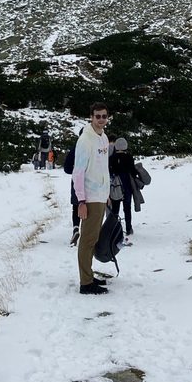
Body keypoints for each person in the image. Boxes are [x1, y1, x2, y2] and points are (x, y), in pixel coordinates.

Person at [72, 101, 112, 295]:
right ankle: (85, 283)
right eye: (98, 116)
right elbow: (77, 173)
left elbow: (103, 168)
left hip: (101, 195)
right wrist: (81, 201)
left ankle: (88, 275)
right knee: (87, 240)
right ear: (91, 117)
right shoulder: (85, 140)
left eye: (104, 116)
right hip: (90, 197)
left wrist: (108, 192)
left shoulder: (103, 138)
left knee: (93, 238)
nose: (101, 120)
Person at [108, 137, 138, 237]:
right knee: (127, 208)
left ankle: (114, 229)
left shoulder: (112, 158)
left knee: (115, 209)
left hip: (115, 186)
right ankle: (128, 228)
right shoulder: (129, 157)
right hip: (126, 186)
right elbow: (133, 172)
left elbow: (109, 171)